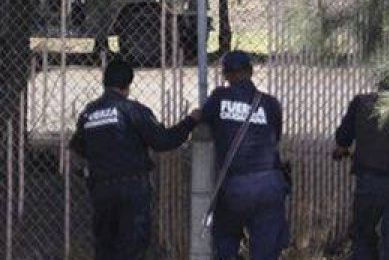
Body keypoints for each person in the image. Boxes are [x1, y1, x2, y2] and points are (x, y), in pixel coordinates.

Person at [69, 59, 199, 260]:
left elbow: (76, 152)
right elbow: (163, 141)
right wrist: (190, 121)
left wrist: (88, 173)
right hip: (132, 188)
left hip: (101, 188)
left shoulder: (88, 113)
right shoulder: (132, 110)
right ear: (128, 85)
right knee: (132, 248)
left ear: (104, 82)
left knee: (105, 248)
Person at [198, 50, 289, 260]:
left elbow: (204, 118)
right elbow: (275, 137)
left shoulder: (218, 98)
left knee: (226, 242)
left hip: (235, 187)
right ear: (251, 71)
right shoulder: (270, 104)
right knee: (266, 251)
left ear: (226, 75)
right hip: (269, 184)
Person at [333, 73, 389, 259]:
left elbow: (342, 139)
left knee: (363, 237)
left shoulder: (361, 103)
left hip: (367, 184)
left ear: (379, 83)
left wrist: (342, 150)